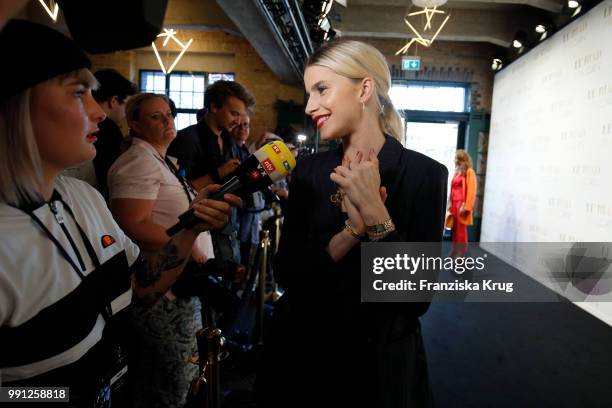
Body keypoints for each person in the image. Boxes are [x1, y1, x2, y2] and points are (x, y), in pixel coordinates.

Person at [0, 20, 240, 406]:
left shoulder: (82, 198)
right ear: (15, 104)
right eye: (79, 94)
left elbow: (141, 289)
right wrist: (63, 394)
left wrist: (192, 226)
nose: (98, 112)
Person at [259, 39, 448, 408]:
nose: (311, 105)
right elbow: (287, 273)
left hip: (378, 368)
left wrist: (375, 213)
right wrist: (350, 233)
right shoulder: (310, 171)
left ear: (364, 89)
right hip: (305, 359)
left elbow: (414, 297)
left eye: (322, 89)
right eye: (308, 92)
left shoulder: (424, 174)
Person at [106, 93, 216, 407]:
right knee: (169, 381)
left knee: (180, 375)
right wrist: (190, 250)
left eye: (169, 113)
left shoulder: (156, 158)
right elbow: (132, 224)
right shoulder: (138, 160)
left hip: (179, 283)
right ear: (135, 125)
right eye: (156, 116)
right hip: (161, 290)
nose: (168, 120)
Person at [168, 80, 256, 264]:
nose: (238, 121)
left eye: (241, 115)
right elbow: (178, 191)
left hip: (227, 229)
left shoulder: (229, 140)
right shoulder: (188, 140)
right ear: (214, 106)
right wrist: (220, 172)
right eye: (234, 113)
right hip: (196, 234)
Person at [91, 69, 137, 197]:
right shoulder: (108, 127)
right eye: (125, 105)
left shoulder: (83, 122)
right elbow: (114, 173)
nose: (125, 113)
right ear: (114, 101)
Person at [448, 149, 477, 257]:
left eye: (456, 158)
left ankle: (462, 252)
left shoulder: (469, 172)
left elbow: (471, 190)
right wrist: (450, 203)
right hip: (454, 203)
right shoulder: (457, 171)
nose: (454, 159)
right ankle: (455, 249)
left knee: (461, 229)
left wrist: (467, 206)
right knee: (455, 229)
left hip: (462, 204)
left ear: (461, 159)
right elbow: (452, 188)